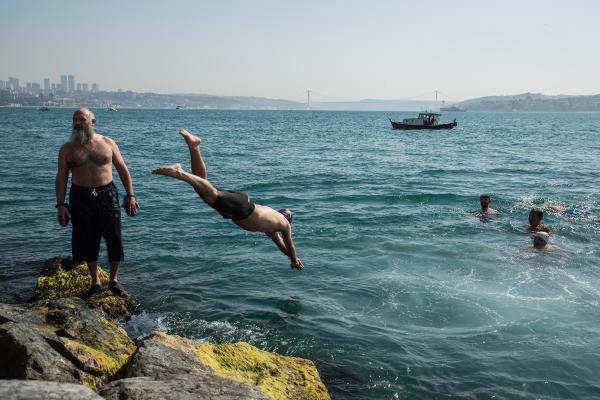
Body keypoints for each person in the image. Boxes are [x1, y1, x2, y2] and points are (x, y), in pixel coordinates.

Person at [152, 129, 304, 270]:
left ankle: (194, 146)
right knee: (210, 193)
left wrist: (293, 259)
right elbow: (289, 245)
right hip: (244, 209)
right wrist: (293, 259)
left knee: (203, 187)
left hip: (241, 209)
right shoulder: (283, 225)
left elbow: (282, 246)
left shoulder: (271, 229)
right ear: (287, 219)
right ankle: (179, 172)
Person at [55, 108, 139, 297]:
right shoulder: (67, 149)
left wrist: (130, 195)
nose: (77, 123)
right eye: (74, 119)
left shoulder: (108, 143)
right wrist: (60, 205)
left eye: (81, 119)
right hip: (80, 197)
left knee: (114, 238)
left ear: (92, 122)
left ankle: (114, 279)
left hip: (107, 194)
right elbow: (61, 177)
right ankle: (95, 281)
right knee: (87, 239)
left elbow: (122, 169)